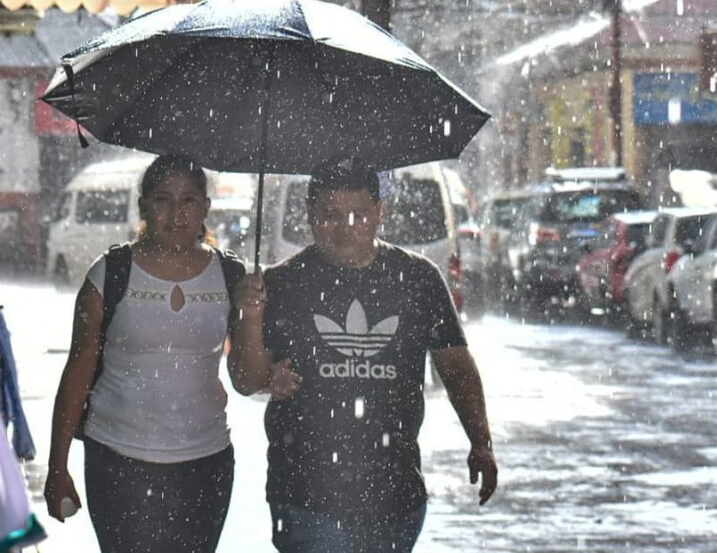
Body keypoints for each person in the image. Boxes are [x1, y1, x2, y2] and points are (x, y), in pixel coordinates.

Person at [230, 162, 498, 552]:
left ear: (379, 212)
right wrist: (249, 318)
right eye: (330, 216)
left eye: (358, 215)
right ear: (309, 213)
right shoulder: (281, 283)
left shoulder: (418, 279)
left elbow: (456, 366)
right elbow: (244, 380)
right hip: (306, 495)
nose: (345, 228)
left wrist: (482, 442)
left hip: (396, 497)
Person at [43, 154, 252, 553]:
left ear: (205, 208)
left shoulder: (230, 276)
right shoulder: (110, 273)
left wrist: (253, 315)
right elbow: (77, 373)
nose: (177, 213)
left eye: (189, 200)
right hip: (118, 462)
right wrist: (58, 466)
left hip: (205, 463)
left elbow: (247, 377)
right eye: (163, 199)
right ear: (143, 206)